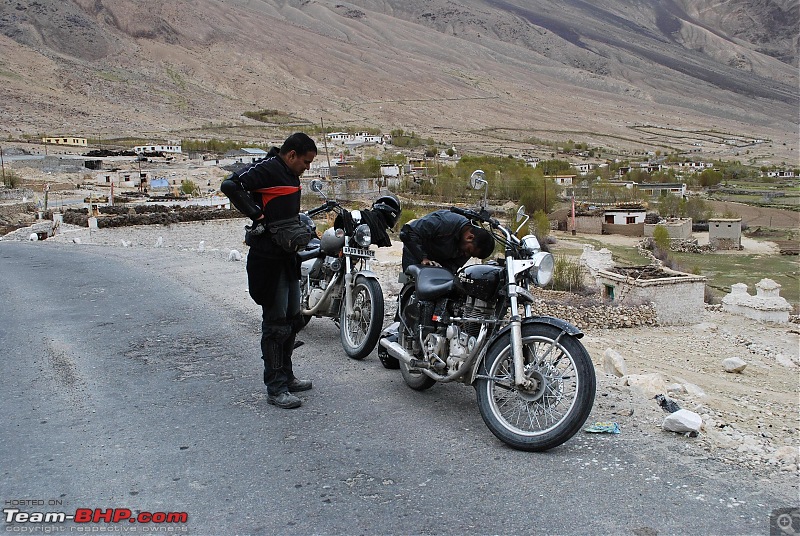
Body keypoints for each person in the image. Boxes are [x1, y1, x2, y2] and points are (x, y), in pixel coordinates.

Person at [220, 132, 317, 409]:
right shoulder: (269, 168)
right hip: (268, 259)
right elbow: (230, 184)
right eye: (306, 162)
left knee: (292, 319)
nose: (307, 168)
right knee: (275, 325)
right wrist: (257, 215)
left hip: (287, 258)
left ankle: (287, 375)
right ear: (291, 155)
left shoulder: (289, 174)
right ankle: (275, 388)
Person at [399, 209, 495, 273]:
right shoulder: (445, 222)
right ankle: (403, 300)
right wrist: (423, 258)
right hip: (416, 252)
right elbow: (407, 232)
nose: (466, 255)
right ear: (469, 237)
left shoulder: (470, 248)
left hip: (439, 259)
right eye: (468, 251)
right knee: (411, 283)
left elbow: (452, 266)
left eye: (471, 255)